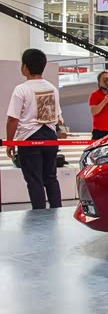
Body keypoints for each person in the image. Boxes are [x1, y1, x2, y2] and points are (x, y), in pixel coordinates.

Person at [5, 49, 62, 210]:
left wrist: (10, 142)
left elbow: (12, 119)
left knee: (34, 180)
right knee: (51, 178)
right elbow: (57, 117)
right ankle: (58, 212)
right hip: (50, 136)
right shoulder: (52, 88)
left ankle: (39, 215)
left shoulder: (21, 89)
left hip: (29, 138)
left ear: (25, 67)